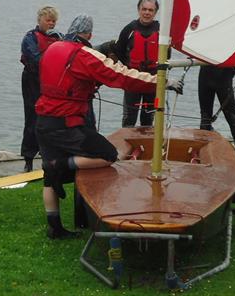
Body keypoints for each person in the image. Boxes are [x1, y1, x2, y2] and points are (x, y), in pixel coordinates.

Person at [35, 15, 181, 239]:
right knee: (108, 155)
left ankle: (54, 227)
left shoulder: (52, 49)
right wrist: (162, 82)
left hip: (43, 119)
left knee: (50, 177)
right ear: (88, 35)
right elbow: (121, 76)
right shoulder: (83, 55)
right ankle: (60, 164)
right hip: (68, 122)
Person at [20, 5, 62, 172]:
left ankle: (49, 156)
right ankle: (28, 158)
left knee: (51, 119)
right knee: (32, 118)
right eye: (48, 20)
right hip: (32, 80)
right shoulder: (30, 38)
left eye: (53, 21)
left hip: (50, 81)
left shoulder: (59, 38)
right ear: (40, 21)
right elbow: (36, 59)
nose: (51, 24)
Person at [114, 0, 160, 127]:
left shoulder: (161, 30)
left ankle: (146, 146)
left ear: (155, 12)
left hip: (152, 79)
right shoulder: (129, 29)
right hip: (132, 79)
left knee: (148, 118)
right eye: (144, 9)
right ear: (138, 10)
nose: (147, 13)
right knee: (129, 118)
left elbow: (166, 54)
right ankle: (127, 146)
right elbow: (119, 50)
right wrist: (129, 65)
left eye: (150, 10)